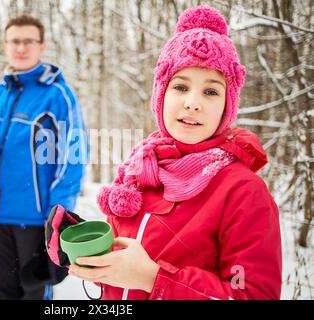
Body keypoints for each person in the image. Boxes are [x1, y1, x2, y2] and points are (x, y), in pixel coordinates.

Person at [67, 6, 282, 299]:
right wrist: (88, 251)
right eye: (181, 87)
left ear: (226, 106)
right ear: (161, 95)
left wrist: (153, 279)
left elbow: (253, 295)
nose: (193, 103)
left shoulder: (243, 191)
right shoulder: (141, 169)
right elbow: (122, 271)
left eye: (210, 92)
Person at [0, 14, 88, 300]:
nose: (21, 48)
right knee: (3, 292)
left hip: (35, 219)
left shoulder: (58, 95)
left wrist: (57, 212)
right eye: (14, 41)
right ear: (5, 46)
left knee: (34, 293)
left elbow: (75, 154)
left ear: (42, 46)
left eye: (28, 41)